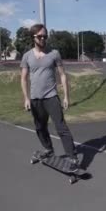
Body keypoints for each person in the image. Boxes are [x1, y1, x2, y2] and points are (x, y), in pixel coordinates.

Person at [20, 23, 78, 169]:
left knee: (61, 127)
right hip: (35, 99)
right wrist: (26, 98)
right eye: (40, 36)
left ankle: (72, 158)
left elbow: (63, 75)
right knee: (40, 128)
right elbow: (23, 78)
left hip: (51, 96)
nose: (43, 39)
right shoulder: (27, 56)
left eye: (45, 36)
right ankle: (48, 149)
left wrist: (66, 96)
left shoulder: (54, 53)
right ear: (33, 37)